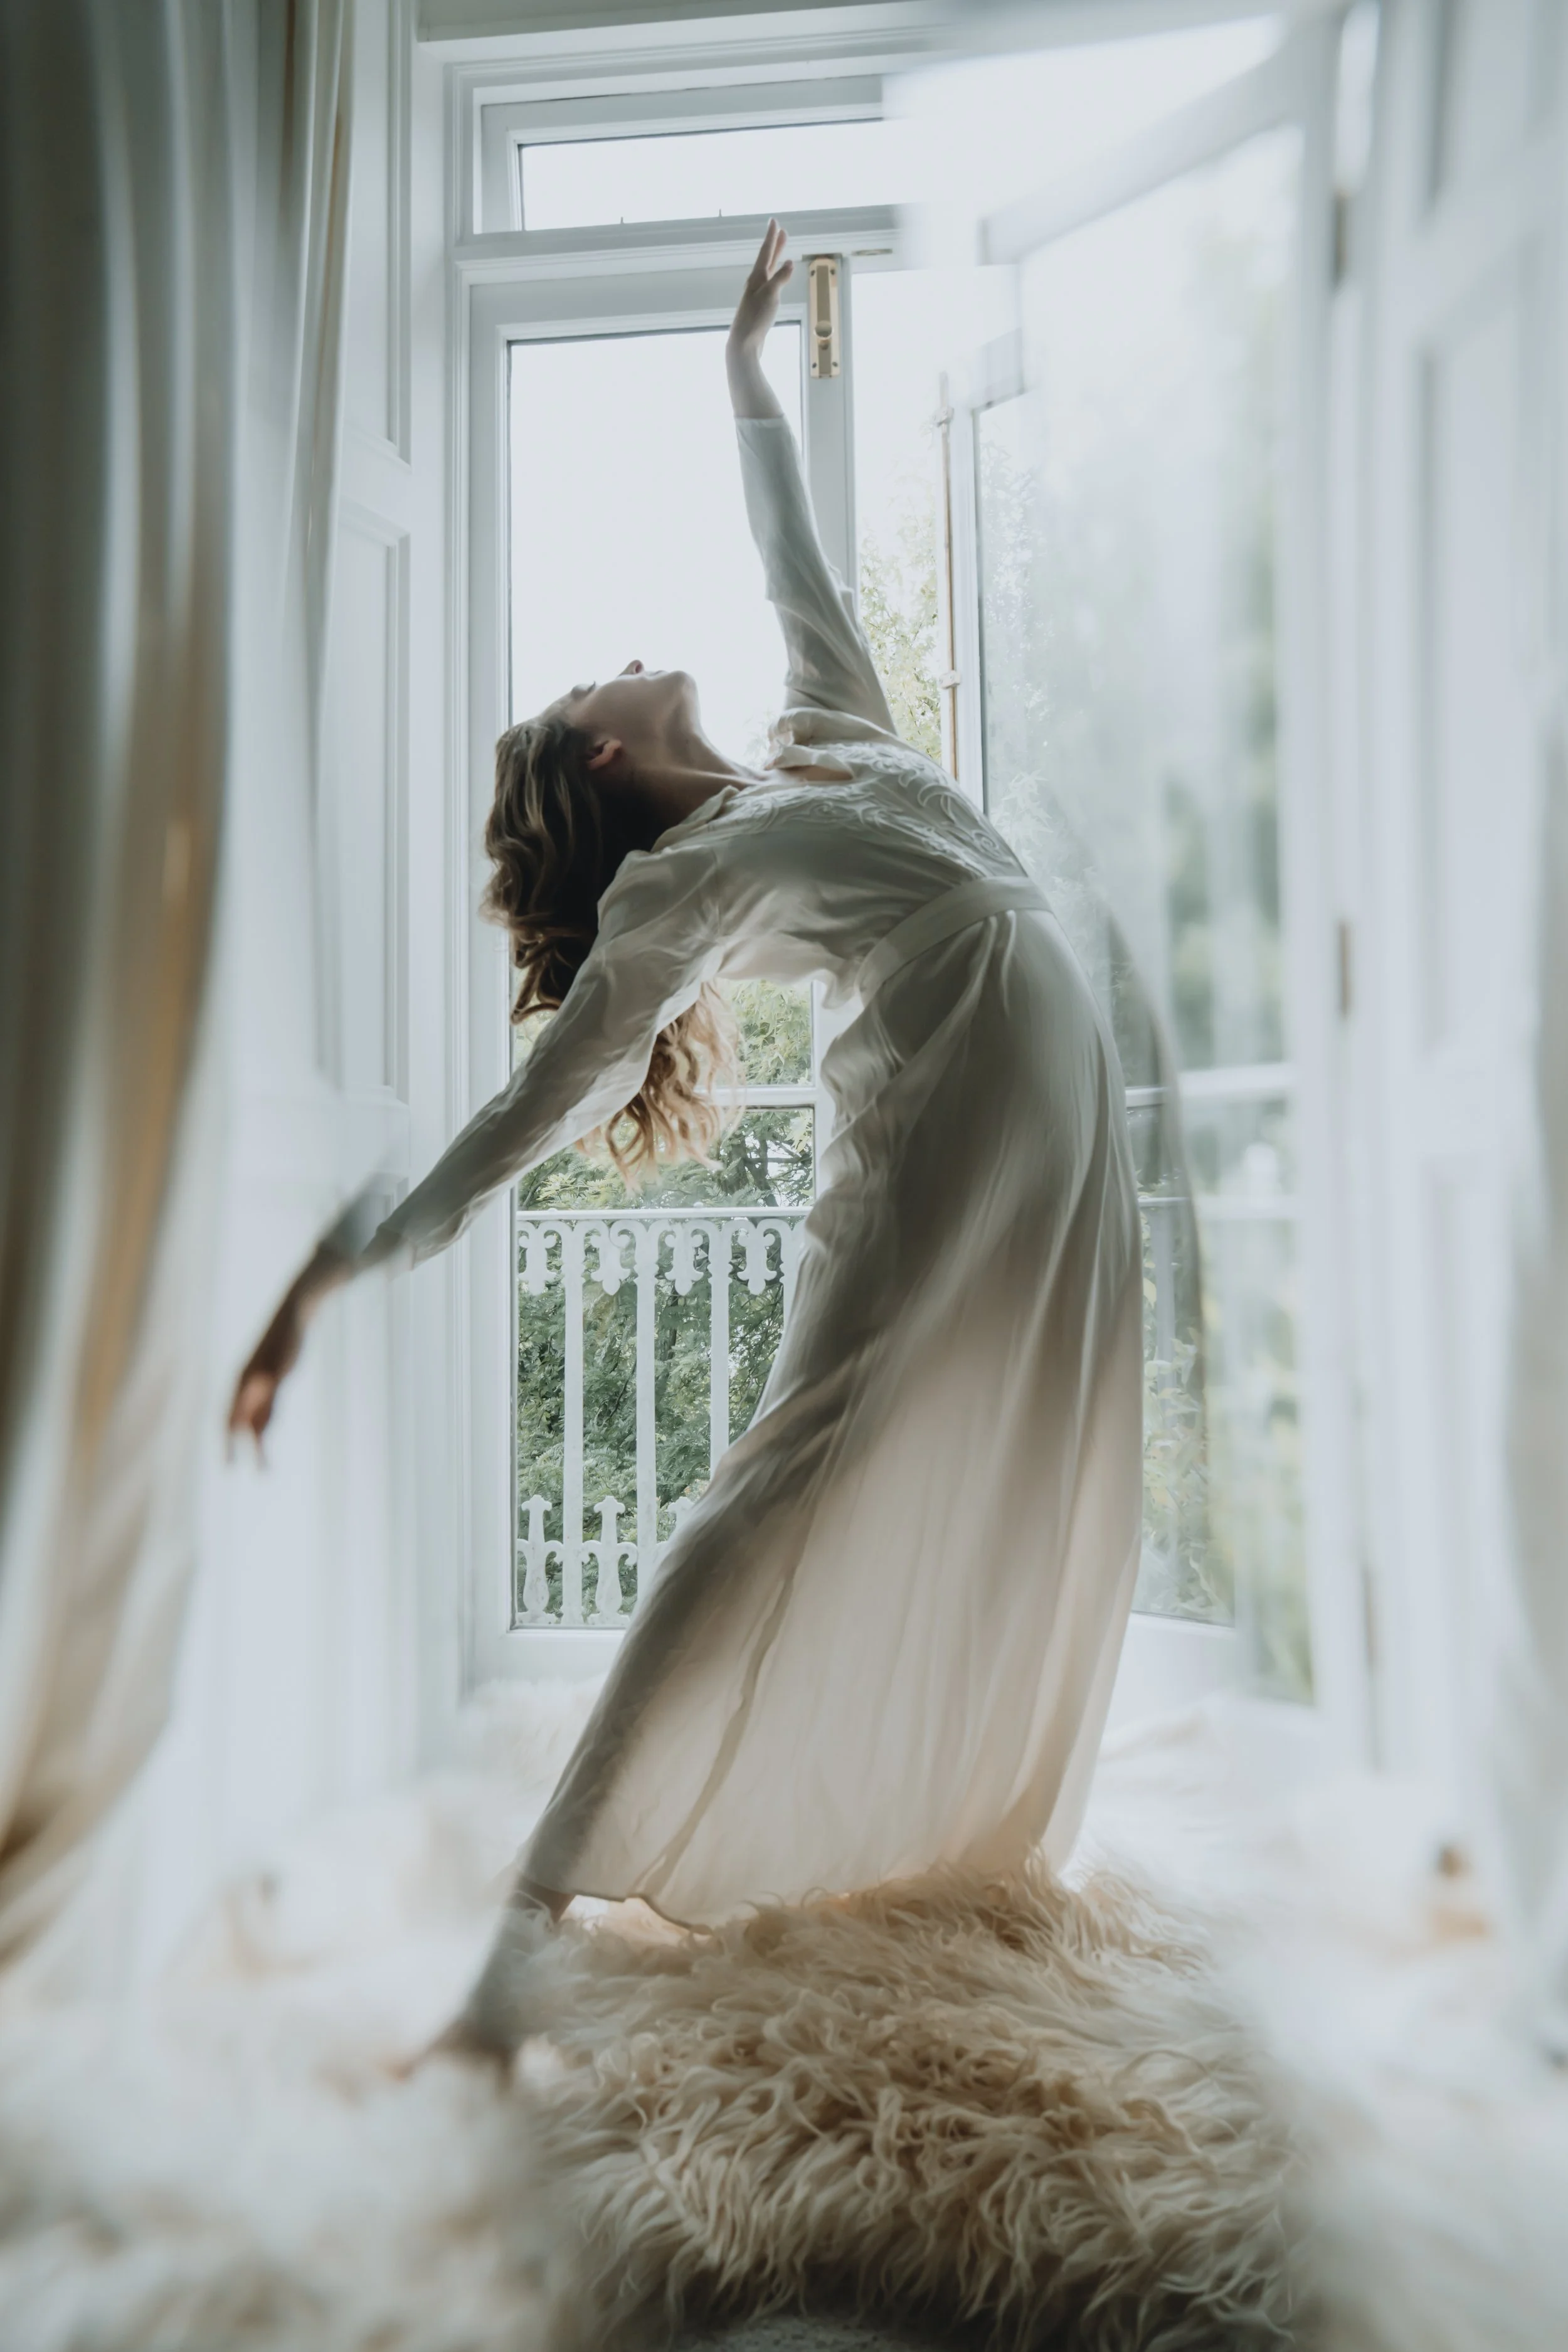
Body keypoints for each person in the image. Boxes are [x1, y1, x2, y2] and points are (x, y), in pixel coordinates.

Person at [230, 223, 1144, 2060]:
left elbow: (788, 551)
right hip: (955, 1120)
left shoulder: (826, 732)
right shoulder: (683, 889)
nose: (634, 659)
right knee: (789, 1473)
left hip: (1051, 1106)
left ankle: (942, 1807)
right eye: (597, 681)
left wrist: (744, 375)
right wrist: (341, 1260)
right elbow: (534, 1111)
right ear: (597, 766)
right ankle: (531, 1901)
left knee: (1060, 1433)